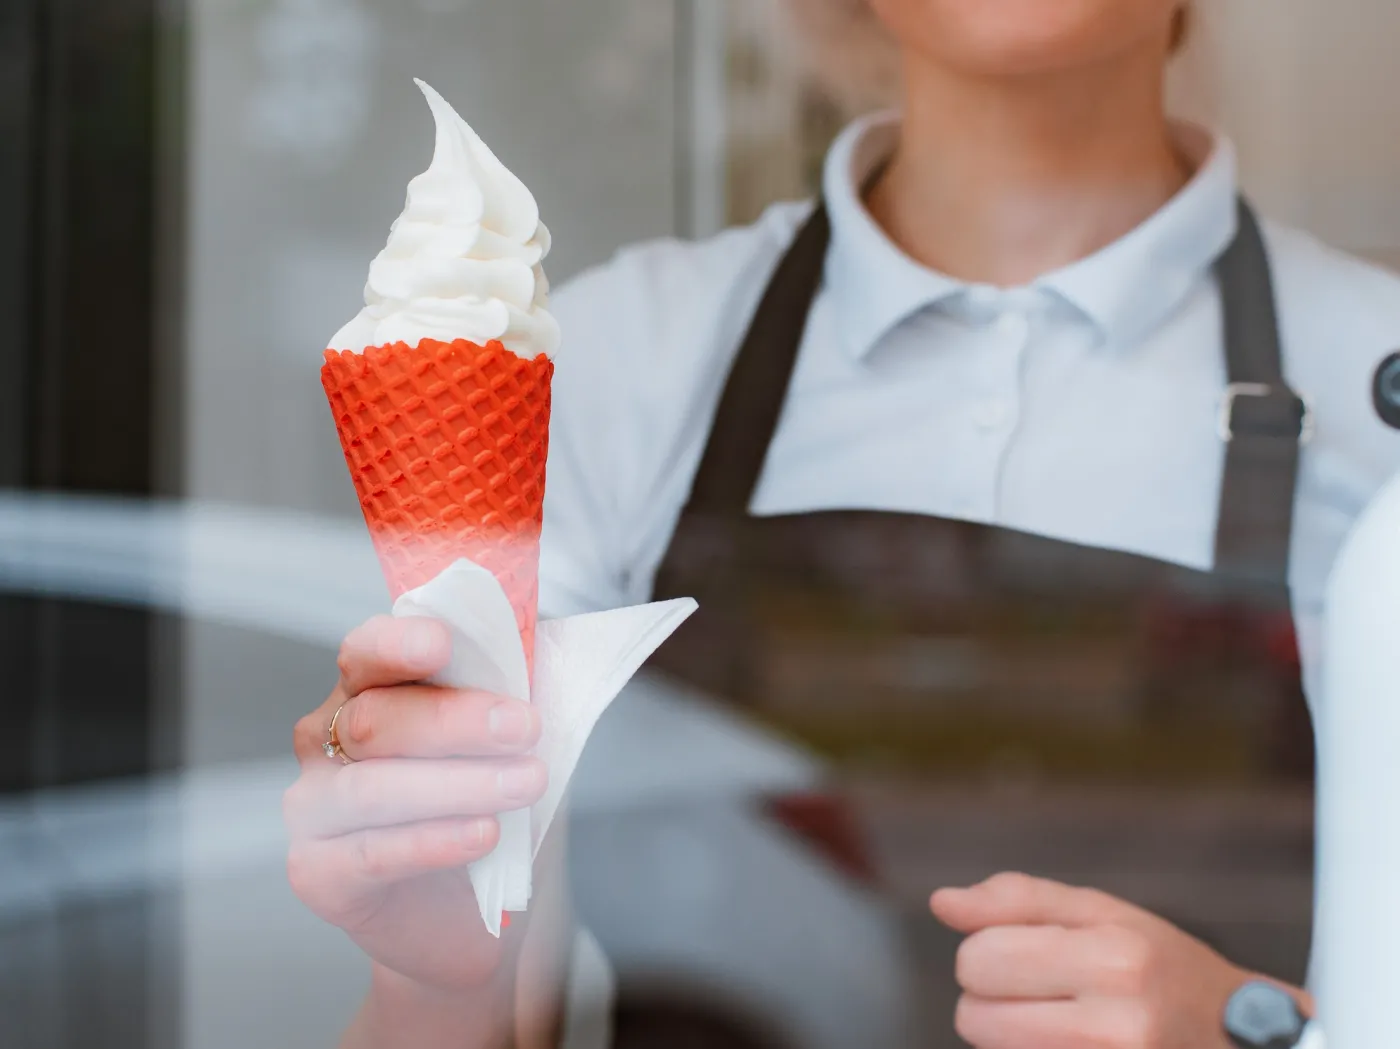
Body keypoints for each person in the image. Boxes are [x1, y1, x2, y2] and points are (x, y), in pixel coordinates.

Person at [284, 0, 1400, 1046]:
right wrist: (435, 974)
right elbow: (485, 988)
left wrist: (1267, 1026)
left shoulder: (1375, 376)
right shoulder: (620, 359)